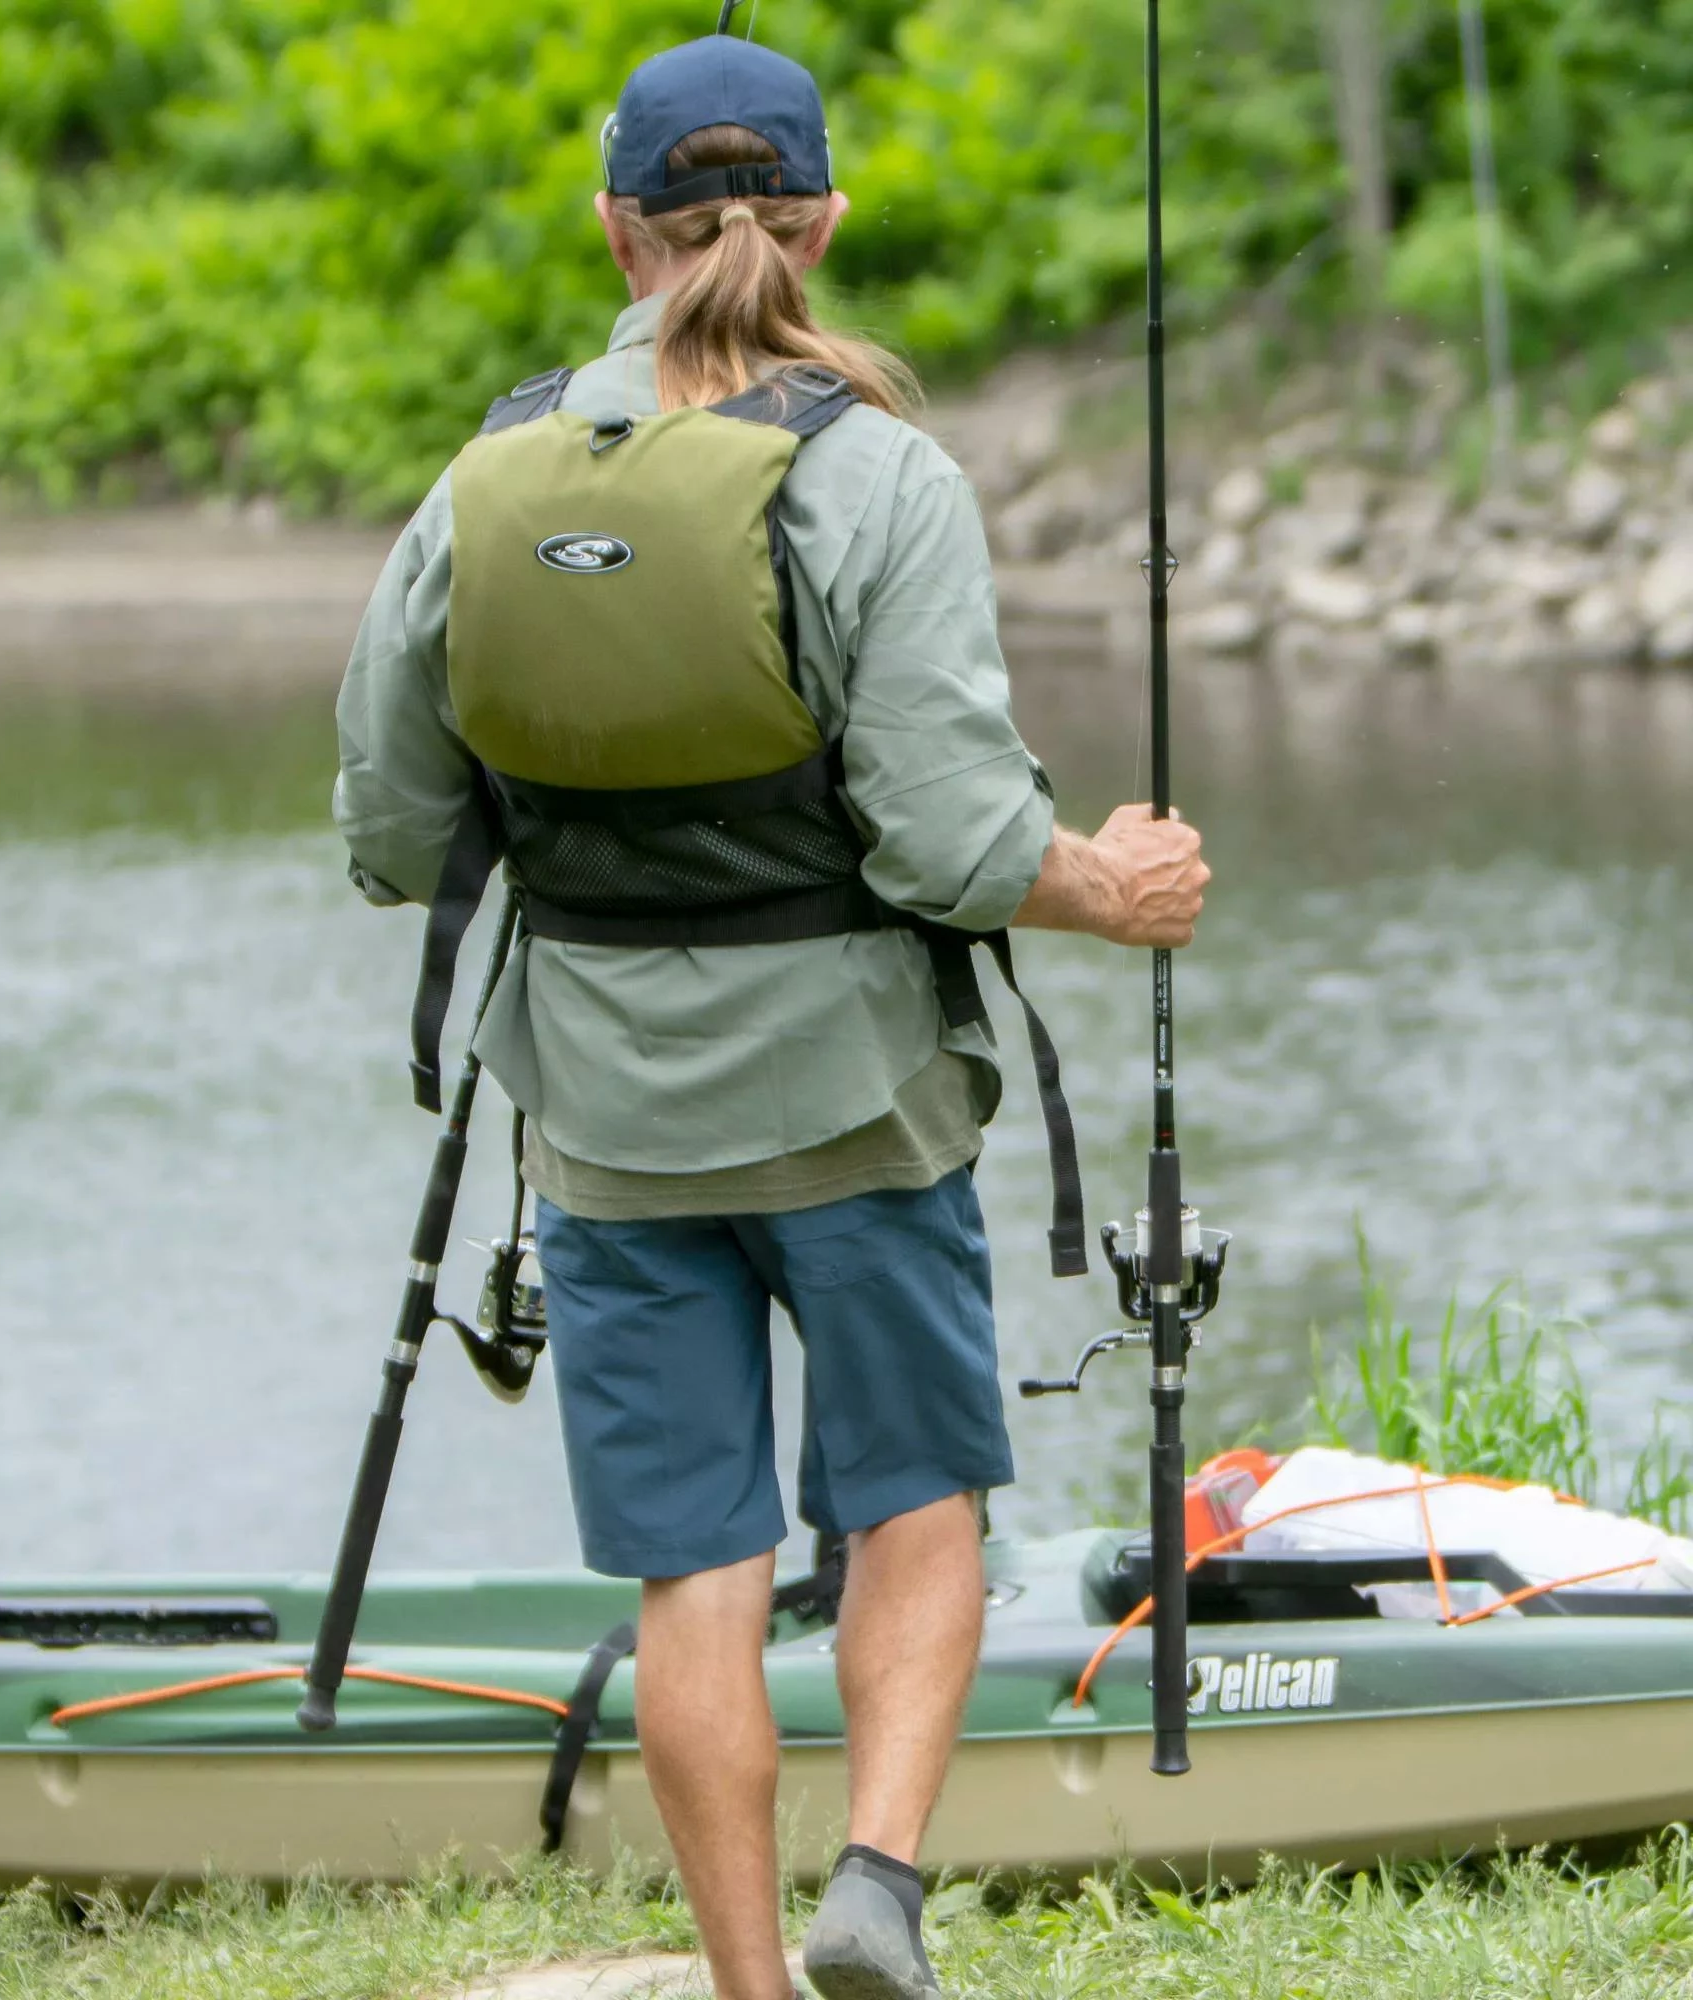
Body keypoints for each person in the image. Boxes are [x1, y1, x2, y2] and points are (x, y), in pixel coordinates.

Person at [334, 31, 1209, 2000]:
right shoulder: (877, 476)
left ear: (612, 233)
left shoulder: (480, 478)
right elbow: (962, 839)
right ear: (819, 222)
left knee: (692, 1575)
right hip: (859, 1106)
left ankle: (746, 1986)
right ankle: (877, 1884)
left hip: (607, 1131)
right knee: (913, 1498)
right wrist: (1120, 882)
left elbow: (391, 836)